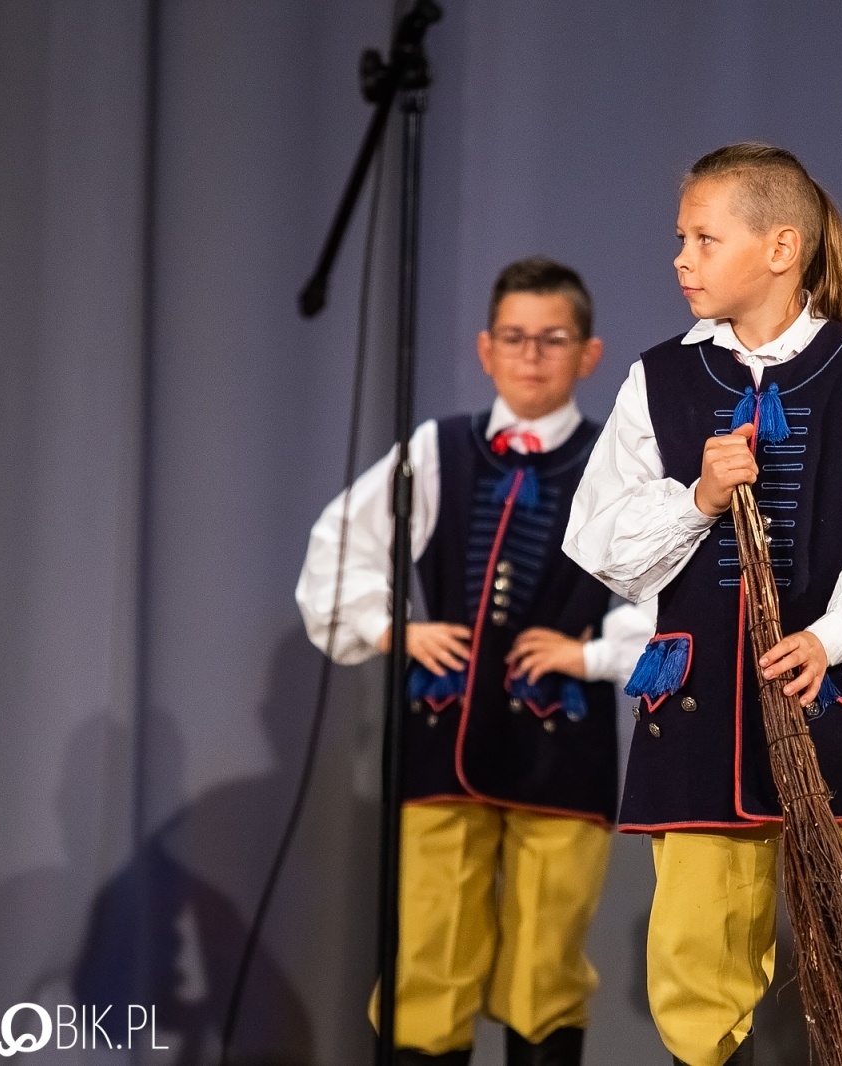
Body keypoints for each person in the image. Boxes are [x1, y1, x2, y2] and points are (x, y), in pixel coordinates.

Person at [563, 142, 842, 1066]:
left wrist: (829, 636)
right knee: (697, 968)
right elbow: (599, 540)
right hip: (704, 719)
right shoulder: (657, 379)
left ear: (782, 247)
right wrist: (698, 500)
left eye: (705, 238)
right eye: (680, 238)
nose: (681, 258)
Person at [296, 257, 654, 1066]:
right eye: (516, 339)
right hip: (443, 741)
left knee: (544, 968)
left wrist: (592, 654)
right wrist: (397, 631)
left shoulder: (616, 467)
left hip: (562, 754)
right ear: (485, 349)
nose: (532, 357)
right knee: (427, 961)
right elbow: (339, 547)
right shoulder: (440, 449)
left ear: (588, 355)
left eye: (552, 339)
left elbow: (673, 600)